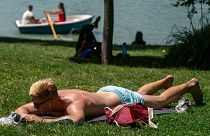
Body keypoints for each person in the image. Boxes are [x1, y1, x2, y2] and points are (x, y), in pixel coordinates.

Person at [14, 75, 203, 123]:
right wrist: (24, 114)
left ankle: (189, 85)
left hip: (120, 97)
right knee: (139, 93)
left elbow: (75, 120)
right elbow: (22, 109)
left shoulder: (74, 104)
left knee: (161, 101)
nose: (35, 107)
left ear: (49, 100)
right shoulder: (51, 95)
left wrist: (39, 120)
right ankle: (164, 81)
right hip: (106, 92)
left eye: (38, 104)